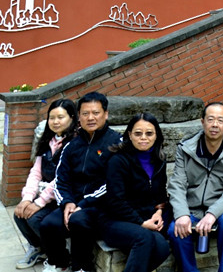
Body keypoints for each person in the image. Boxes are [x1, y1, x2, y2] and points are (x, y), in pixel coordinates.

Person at [40, 91, 123, 272]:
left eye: (96, 113)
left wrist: (83, 204)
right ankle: (59, 263)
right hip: (75, 201)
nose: (90, 118)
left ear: (106, 114)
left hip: (102, 205)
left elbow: (113, 182)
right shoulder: (72, 145)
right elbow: (61, 179)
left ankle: (83, 267)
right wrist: (67, 202)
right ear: (79, 116)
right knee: (48, 224)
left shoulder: (117, 143)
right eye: (85, 113)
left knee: (78, 220)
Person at [168, 102, 223, 272]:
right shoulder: (185, 149)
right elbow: (177, 185)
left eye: (220, 120)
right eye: (210, 119)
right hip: (191, 208)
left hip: (221, 208)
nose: (215, 125)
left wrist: (212, 214)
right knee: (175, 229)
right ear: (202, 122)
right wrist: (182, 214)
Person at [101, 113, 172, 272]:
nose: (143, 138)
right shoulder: (117, 160)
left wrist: (159, 212)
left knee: (162, 248)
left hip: (146, 217)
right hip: (115, 221)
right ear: (130, 135)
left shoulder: (159, 160)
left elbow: (161, 193)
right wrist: (141, 223)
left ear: (156, 135)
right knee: (144, 238)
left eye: (149, 133)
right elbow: (115, 201)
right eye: (138, 133)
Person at [14, 99, 77, 270]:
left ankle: (61, 258)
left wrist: (38, 203)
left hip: (65, 196)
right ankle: (39, 248)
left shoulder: (74, 143)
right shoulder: (48, 140)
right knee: (20, 213)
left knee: (36, 218)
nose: (55, 121)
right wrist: (27, 199)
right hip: (48, 195)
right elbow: (36, 172)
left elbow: (62, 178)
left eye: (60, 117)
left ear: (72, 118)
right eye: (52, 117)